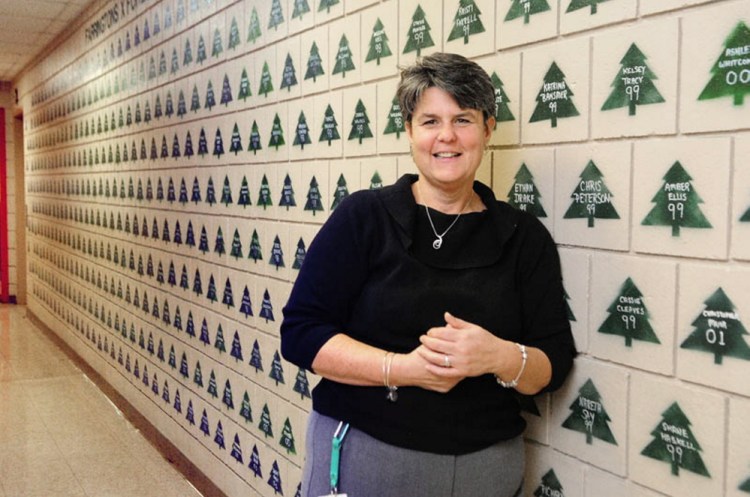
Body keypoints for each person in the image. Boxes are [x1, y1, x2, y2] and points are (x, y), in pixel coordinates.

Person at [281, 52, 576, 497]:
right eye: (430, 121)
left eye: (463, 119)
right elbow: (301, 334)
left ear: (488, 129)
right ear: (410, 131)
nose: (447, 136)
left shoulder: (523, 237)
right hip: (366, 456)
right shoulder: (364, 217)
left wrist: (497, 355)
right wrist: (402, 369)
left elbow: (552, 365)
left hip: (488, 470)